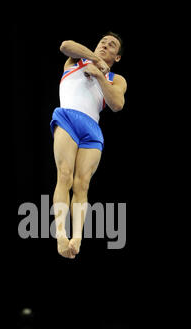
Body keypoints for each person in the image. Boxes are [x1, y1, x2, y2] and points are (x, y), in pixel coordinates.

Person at [50, 32, 127, 258]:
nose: (105, 44)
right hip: (68, 118)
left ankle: (77, 238)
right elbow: (65, 44)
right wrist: (96, 60)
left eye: (112, 45)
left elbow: (117, 104)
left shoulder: (117, 78)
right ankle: (62, 236)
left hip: (92, 129)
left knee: (82, 185)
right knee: (64, 175)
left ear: (118, 57)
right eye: (103, 41)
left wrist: (101, 75)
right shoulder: (76, 60)